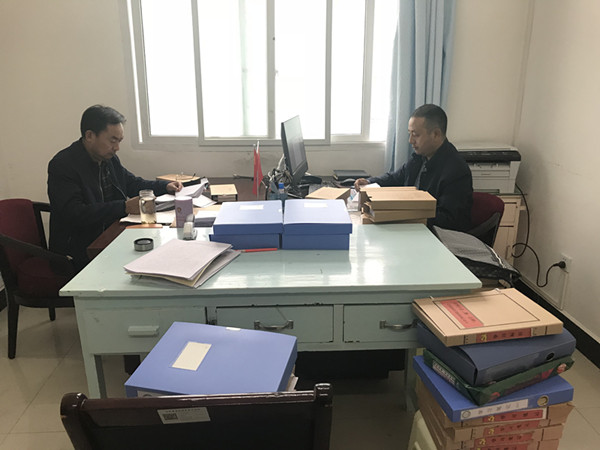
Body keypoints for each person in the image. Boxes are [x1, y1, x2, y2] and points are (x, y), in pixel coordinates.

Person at [47, 105, 183, 271]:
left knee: (160, 253)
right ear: (89, 136)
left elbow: (131, 183)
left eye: (119, 141)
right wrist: (123, 207)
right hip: (79, 250)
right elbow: (75, 213)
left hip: (111, 234)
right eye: (112, 140)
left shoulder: (108, 158)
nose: (117, 147)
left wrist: (165, 186)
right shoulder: (63, 165)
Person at [354, 104, 473, 231]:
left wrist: (403, 215)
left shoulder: (456, 171)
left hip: (440, 236)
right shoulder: (420, 158)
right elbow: (395, 178)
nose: (410, 140)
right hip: (415, 227)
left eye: (415, 135)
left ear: (436, 134)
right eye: (409, 134)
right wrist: (369, 182)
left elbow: (448, 220)